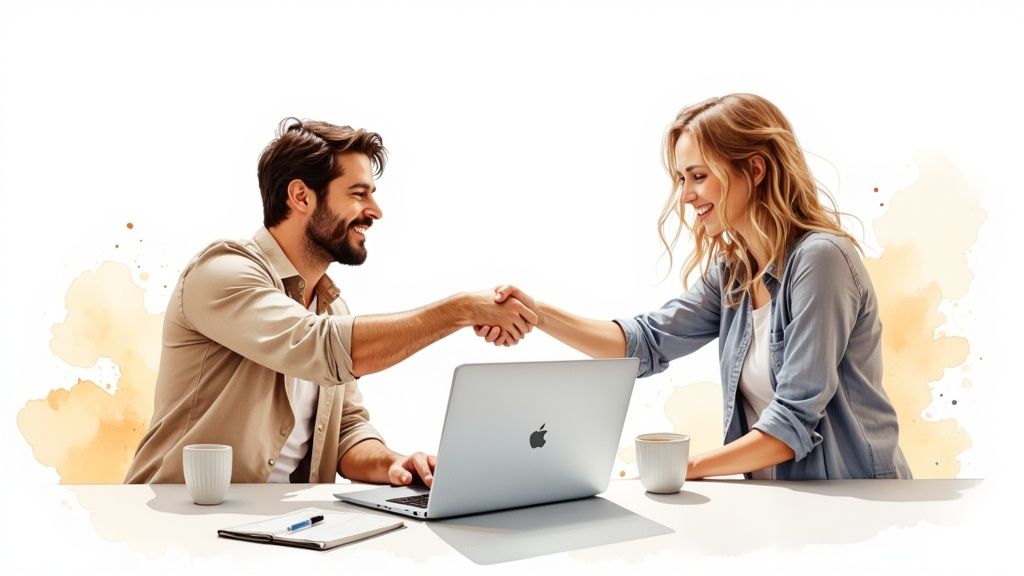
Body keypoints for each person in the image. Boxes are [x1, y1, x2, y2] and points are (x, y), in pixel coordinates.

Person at [476, 93, 911, 480]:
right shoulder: (734, 273)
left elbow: (791, 423)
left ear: (755, 169)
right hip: (787, 505)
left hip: (858, 505)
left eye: (698, 176)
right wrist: (536, 314)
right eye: (682, 179)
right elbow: (644, 342)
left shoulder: (821, 259)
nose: (685, 195)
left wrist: (685, 468)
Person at [126, 118, 537, 485]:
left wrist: (393, 464)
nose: (375, 211)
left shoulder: (330, 308)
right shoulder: (222, 273)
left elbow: (346, 430)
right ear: (301, 197)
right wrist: (461, 309)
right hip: (181, 521)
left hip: (274, 526)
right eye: (358, 194)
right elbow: (320, 347)